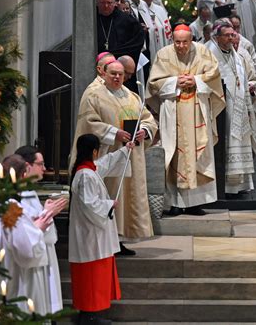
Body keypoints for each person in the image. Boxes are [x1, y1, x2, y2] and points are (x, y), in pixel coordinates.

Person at [73, 60, 158, 243]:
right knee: (112, 194)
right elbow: (88, 123)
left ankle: (123, 236)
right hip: (109, 155)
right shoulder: (94, 96)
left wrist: (145, 130)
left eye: (121, 74)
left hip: (131, 155)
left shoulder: (132, 96)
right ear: (103, 73)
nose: (118, 77)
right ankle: (110, 239)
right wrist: (114, 133)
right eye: (113, 73)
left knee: (128, 197)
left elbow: (148, 119)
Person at [146, 24, 225, 215]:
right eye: (177, 42)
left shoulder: (204, 53)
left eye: (184, 42)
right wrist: (175, 82)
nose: (180, 46)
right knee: (173, 154)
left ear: (191, 40)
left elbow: (214, 75)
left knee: (198, 154)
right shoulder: (164, 54)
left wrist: (196, 81)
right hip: (173, 110)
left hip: (197, 109)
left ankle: (196, 203)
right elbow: (153, 84)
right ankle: (174, 202)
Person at [69, 134, 134, 325]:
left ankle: (89, 314)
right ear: (94, 151)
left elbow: (106, 163)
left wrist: (124, 150)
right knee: (91, 278)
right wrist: (109, 205)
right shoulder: (86, 175)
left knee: (92, 278)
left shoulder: (87, 171)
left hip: (91, 237)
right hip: (90, 238)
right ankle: (88, 316)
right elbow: (91, 205)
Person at [0, 154, 53, 315]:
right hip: (13, 280)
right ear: (22, 176)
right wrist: (39, 227)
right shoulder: (12, 208)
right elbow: (27, 250)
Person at [14, 145, 68, 314]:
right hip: (30, 265)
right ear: (27, 166)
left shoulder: (29, 192)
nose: (44, 168)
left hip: (42, 256)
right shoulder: (16, 197)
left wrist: (46, 211)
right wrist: (47, 214)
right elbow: (26, 232)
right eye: (40, 164)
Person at [206, 22, 256, 195]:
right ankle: (225, 186)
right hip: (221, 108)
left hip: (238, 105)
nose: (230, 38)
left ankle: (239, 184)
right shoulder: (210, 54)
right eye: (227, 35)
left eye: (232, 35)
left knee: (239, 140)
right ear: (217, 37)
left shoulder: (236, 55)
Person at [69, 52, 117, 173]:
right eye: (109, 65)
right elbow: (89, 123)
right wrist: (115, 133)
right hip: (99, 149)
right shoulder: (93, 92)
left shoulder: (116, 89)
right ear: (100, 69)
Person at [96, 0, 144, 68]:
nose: (106, 6)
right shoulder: (92, 19)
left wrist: (112, 55)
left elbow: (136, 43)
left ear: (114, 3)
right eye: (103, 3)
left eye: (109, 3)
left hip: (119, 66)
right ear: (98, 3)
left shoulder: (128, 21)